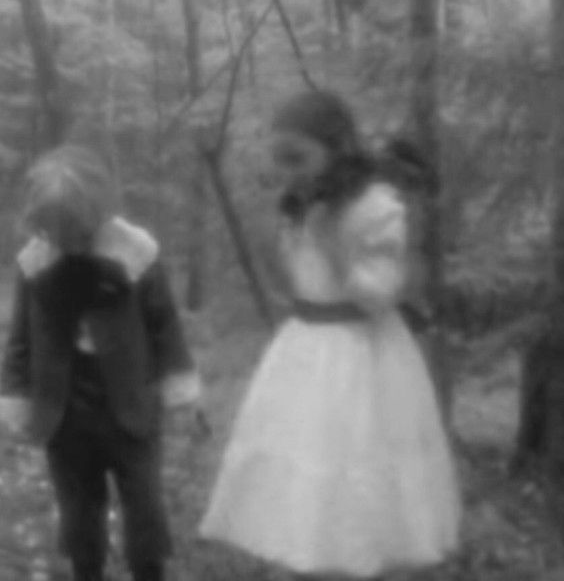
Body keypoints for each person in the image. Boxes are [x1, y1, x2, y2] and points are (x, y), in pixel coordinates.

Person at [199, 93, 461, 578]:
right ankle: (311, 563)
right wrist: (279, 242)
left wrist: (334, 245)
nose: (287, 172)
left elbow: (380, 295)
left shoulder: (374, 207)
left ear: (337, 147)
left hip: (362, 357)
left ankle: (356, 562)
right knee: (303, 474)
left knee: (355, 469)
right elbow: (298, 287)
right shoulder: (303, 204)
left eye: (297, 158)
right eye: (280, 160)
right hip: (304, 352)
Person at [0, 144, 206, 581]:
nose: (67, 241)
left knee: (144, 503)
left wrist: (179, 387)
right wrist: (16, 395)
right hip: (64, 409)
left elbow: (164, 324)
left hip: (130, 404)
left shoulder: (136, 254)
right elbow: (20, 338)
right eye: (54, 232)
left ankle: (148, 570)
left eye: (76, 230)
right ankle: (87, 569)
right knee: (78, 507)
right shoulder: (35, 264)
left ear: (97, 213)